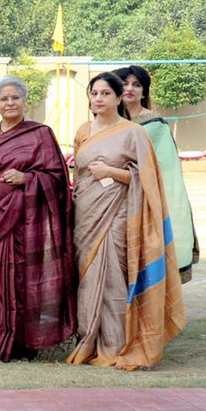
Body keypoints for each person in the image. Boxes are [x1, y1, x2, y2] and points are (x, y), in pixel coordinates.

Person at [68, 72, 185, 370]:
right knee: (86, 279)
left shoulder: (133, 133)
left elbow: (147, 178)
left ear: (119, 97)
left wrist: (111, 172)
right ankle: (88, 341)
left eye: (106, 93)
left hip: (118, 214)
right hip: (85, 215)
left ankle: (115, 344)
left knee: (112, 279)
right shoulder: (83, 130)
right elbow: (78, 175)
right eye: (94, 93)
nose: (98, 99)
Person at [0, 76, 76, 362]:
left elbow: (57, 177)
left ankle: (23, 341)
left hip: (25, 221)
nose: (10, 103)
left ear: (24, 100)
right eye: (4, 98)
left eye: (15, 97)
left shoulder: (40, 134)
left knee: (22, 277)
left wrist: (27, 178)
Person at [113, 65, 198, 283]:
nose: (130, 88)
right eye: (124, 84)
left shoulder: (155, 125)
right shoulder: (106, 122)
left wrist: (122, 171)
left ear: (144, 92)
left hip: (146, 200)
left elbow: (165, 168)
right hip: (112, 201)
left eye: (136, 85)